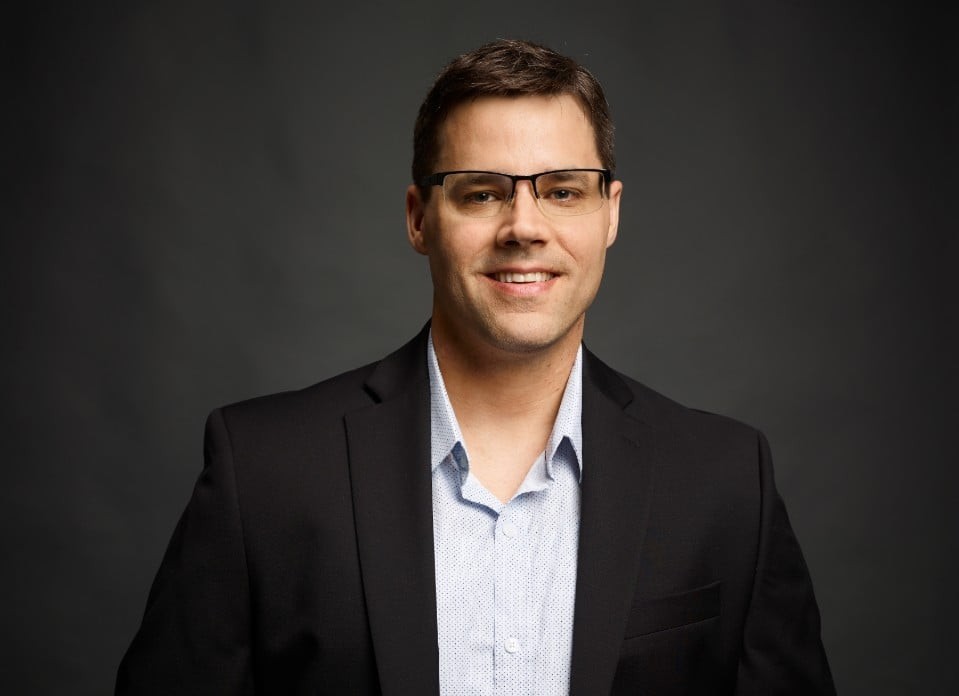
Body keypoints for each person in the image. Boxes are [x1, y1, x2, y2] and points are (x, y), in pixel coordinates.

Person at [116, 39, 835, 695]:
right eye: (482, 192)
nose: (523, 227)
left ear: (609, 214)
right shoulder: (264, 470)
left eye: (562, 190)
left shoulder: (725, 481)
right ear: (418, 218)